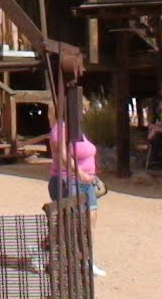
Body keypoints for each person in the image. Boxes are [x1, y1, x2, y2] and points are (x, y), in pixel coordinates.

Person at [47, 98, 105, 277]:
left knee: (88, 223)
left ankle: (86, 260)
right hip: (67, 181)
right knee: (70, 224)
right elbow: (63, 155)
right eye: (82, 108)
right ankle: (46, 252)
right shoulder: (60, 129)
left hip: (86, 183)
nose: (85, 112)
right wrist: (80, 173)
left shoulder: (76, 130)